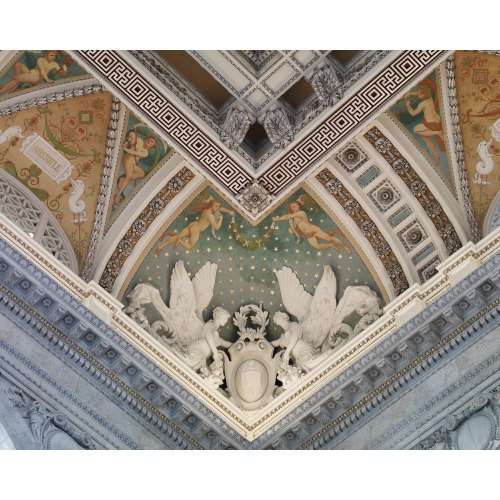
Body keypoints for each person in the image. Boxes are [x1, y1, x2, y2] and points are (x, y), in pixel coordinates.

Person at [155, 198, 234, 255]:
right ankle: (180, 241)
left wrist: (228, 211)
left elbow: (219, 208)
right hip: (196, 230)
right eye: (216, 206)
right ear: (211, 206)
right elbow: (216, 227)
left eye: (218, 206)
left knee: (177, 236)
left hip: (193, 224)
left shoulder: (206, 209)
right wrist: (221, 219)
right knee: (189, 247)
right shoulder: (210, 216)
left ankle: (160, 247)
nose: (218, 208)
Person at [272, 200, 351, 254]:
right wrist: (291, 229)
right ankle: (330, 245)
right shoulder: (295, 219)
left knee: (329, 238)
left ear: (299, 206)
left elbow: (287, 217)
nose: (292, 208)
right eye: (291, 207)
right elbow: (295, 229)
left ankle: (345, 246)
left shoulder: (301, 213)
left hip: (314, 230)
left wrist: (278, 219)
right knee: (317, 247)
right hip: (308, 235)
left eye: (294, 206)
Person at [405, 85, 445, 166]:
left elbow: (413, 113)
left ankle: (438, 133)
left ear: (424, 94)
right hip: (436, 120)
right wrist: (410, 93)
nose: (418, 94)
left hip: (431, 123)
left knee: (416, 130)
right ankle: (436, 155)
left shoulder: (423, 104)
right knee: (425, 138)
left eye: (420, 92)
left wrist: (408, 106)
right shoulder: (429, 98)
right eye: (418, 92)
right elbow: (420, 93)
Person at [114, 132, 157, 205]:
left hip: (132, 163)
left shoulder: (145, 153)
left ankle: (122, 179)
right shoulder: (139, 141)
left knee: (142, 173)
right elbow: (131, 133)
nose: (149, 141)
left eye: (151, 142)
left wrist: (124, 148)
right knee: (129, 176)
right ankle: (117, 194)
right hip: (128, 161)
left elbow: (134, 153)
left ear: (151, 146)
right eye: (149, 139)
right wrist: (131, 141)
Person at [0, 51, 67, 95]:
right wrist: (48, 80)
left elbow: (61, 75)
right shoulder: (41, 59)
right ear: (46, 55)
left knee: (15, 78)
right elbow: (42, 70)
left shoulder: (55, 64)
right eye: (51, 55)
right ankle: (15, 85)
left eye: (54, 56)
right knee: (17, 64)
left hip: (35, 78)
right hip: (30, 73)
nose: (53, 57)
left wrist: (64, 70)